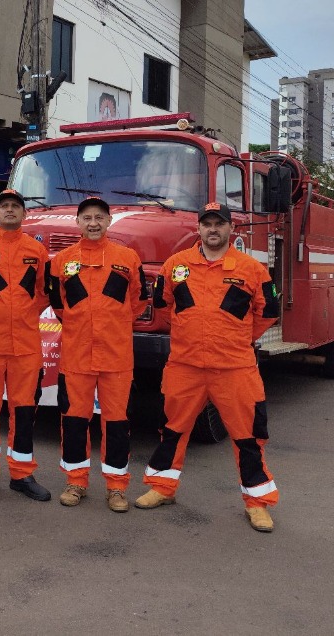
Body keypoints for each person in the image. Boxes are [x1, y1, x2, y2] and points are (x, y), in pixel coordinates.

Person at [137, 202, 280, 532]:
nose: (212, 229)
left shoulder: (251, 269)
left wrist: (237, 338)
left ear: (231, 229)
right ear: (198, 228)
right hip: (185, 366)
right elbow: (161, 305)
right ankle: (162, 487)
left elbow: (268, 312)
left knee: (248, 437)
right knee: (172, 430)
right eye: (207, 224)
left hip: (235, 368)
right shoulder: (176, 265)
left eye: (219, 224)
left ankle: (257, 502)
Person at [48, 197, 148, 512]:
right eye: (87, 217)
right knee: (74, 421)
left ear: (108, 222)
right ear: (78, 222)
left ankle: (116, 487)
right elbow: (58, 304)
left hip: (117, 359)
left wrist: (112, 325)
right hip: (76, 358)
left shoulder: (128, 258)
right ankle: (75, 481)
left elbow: (139, 302)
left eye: (99, 218)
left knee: (117, 423)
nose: (93, 223)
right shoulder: (61, 261)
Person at [0, 189, 51, 501]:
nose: (10, 210)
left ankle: (22, 474)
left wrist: (23, 313)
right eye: (4, 206)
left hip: (26, 345)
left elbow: (44, 292)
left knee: (25, 411)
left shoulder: (36, 251)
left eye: (16, 206)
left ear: (24, 214)